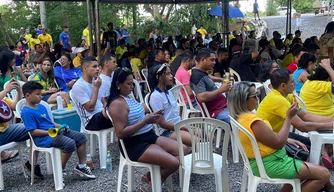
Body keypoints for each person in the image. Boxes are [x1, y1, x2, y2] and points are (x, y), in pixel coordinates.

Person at [228, 81, 331, 192]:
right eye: (255, 95)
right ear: (244, 100)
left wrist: (287, 139)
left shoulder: (241, 117)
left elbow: (265, 137)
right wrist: (288, 118)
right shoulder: (254, 121)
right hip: (271, 163)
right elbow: (278, 144)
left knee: (307, 165)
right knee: (324, 174)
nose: (257, 98)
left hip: (263, 161)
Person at [108, 67, 181, 190]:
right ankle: (153, 185)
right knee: (174, 163)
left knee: (182, 150)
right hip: (136, 144)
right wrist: (146, 121)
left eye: (133, 83)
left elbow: (139, 114)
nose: (132, 87)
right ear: (118, 84)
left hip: (149, 136)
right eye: (129, 84)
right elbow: (120, 133)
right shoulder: (117, 104)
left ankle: (152, 178)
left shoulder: (128, 97)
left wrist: (151, 115)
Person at [257, 69, 334, 167]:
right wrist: (329, 125)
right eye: (292, 82)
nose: (295, 83)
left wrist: (330, 120)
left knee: (313, 145)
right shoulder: (279, 100)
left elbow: (304, 115)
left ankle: (318, 169)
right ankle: (314, 171)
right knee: (313, 149)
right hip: (270, 141)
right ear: (283, 86)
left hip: (277, 134)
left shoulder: (287, 96)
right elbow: (302, 126)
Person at [21, 81, 96, 181]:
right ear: (27, 95)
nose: (40, 96)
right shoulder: (26, 112)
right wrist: (50, 132)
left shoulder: (41, 107)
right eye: (38, 94)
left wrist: (61, 126)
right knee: (69, 144)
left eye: (40, 94)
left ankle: (81, 166)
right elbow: (33, 132)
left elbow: (50, 123)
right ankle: (59, 170)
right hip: (43, 138)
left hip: (54, 132)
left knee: (81, 137)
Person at [148, 64, 192, 146]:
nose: (171, 76)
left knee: (206, 136)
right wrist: (182, 127)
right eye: (168, 74)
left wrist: (183, 125)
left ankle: (194, 156)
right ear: (159, 77)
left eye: (170, 73)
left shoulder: (168, 92)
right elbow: (162, 124)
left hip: (177, 126)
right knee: (199, 141)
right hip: (167, 132)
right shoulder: (156, 96)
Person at [72, 56, 113, 131]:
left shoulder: (97, 81)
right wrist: (96, 88)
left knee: (125, 110)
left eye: (98, 66)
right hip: (91, 120)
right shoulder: (78, 86)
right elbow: (90, 108)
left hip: (103, 114)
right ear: (85, 69)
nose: (98, 69)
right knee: (118, 111)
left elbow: (103, 101)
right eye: (94, 67)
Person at [190, 48, 231, 123]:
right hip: (216, 112)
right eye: (211, 60)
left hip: (222, 107)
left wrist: (221, 80)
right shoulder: (197, 76)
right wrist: (221, 90)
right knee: (240, 121)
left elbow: (208, 76)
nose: (214, 62)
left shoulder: (201, 72)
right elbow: (201, 97)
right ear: (203, 60)